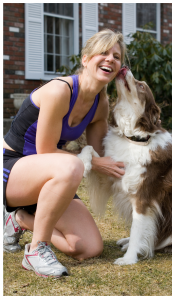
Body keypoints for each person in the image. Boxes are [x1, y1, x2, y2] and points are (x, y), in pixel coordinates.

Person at [3, 29, 126, 277]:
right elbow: (46, 152)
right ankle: (36, 251)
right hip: (12, 169)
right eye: (103, 52)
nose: (110, 59)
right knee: (73, 166)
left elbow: (100, 154)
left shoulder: (100, 104)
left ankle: (20, 220)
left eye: (116, 56)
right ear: (85, 59)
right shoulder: (60, 91)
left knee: (88, 247)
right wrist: (93, 161)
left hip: (50, 178)